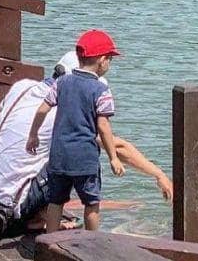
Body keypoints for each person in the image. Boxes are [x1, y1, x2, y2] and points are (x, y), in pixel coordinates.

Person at [0, 47, 172, 233]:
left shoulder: (22, 87)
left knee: (54, 151)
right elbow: (116, 146)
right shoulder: (65, 110)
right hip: (10, 209)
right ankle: (38, 219)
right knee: (78, 154)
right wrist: (158, 174)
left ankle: (41, 213)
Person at [26, 30, 125, 233]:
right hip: (85, 159)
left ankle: (49, 243)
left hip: (59, 156)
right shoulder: (101, 90)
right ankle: (92, 244)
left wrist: (33, 135)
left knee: (56, 202)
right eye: (110, 59)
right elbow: (103, 127)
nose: (109, 64)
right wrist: (113, 157)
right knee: (91, 203)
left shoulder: (61, 82)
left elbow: (42, 108)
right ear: (101, 60)